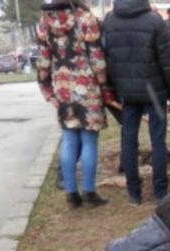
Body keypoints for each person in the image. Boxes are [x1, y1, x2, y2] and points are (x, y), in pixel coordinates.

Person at [102, 0, 170, 205]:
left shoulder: (110, 22)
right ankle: (160, 191)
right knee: (158, 141)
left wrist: (112, 89)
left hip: (127, 93)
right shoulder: (155, 21)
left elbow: (106, 59)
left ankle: (134, 194)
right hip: (154, 92)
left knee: (128, 141)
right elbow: (168, 62)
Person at [36, 0, 112, 209]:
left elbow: (43, 61)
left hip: (62, 86)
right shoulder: (86, 19)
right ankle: (88, 190)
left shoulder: (45, 22)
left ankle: (71, 193)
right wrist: (105, 87)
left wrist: (46, 88)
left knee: (69, 138)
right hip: (86, 84)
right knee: (89, 140)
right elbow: (97, 59)